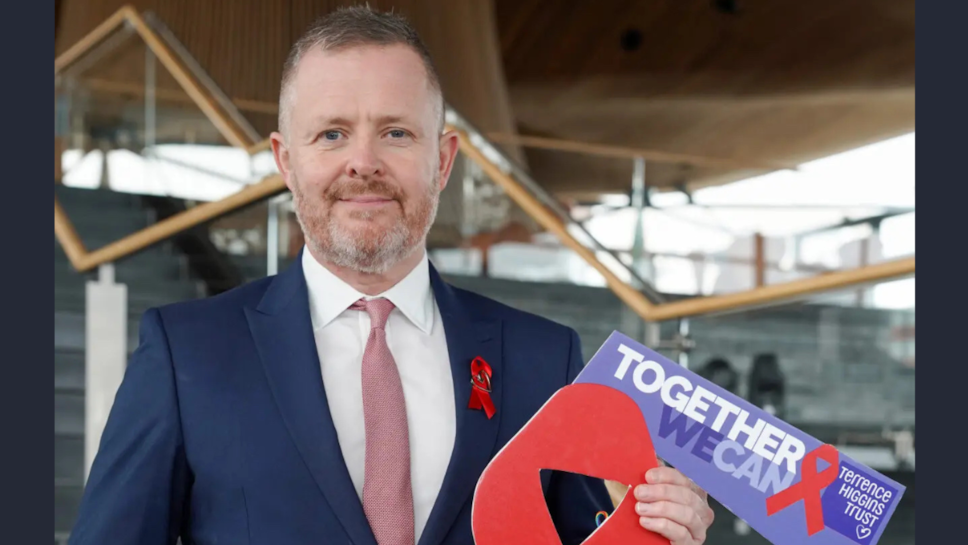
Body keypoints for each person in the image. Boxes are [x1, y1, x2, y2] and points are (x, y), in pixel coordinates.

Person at [68, 6, 714, 545]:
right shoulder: (187, 352)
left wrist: (659, 529)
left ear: (442, 159)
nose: (364, 162)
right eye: (331, 134)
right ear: (285, 161)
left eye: (396, 132)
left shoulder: (543, 357)